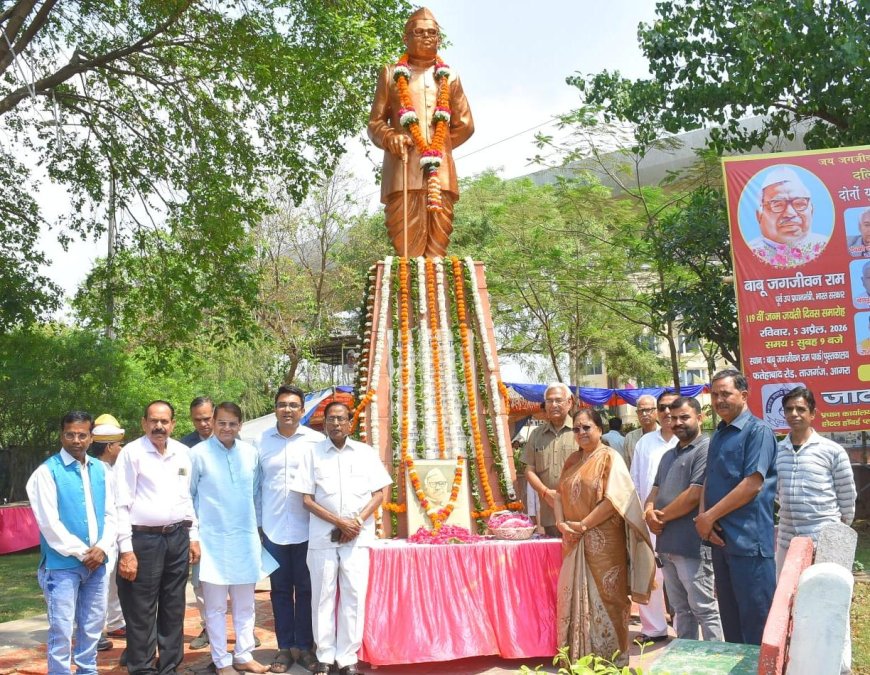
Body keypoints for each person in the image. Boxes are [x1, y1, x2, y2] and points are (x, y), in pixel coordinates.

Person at [291, 401, 392, 675]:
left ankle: (347, 658)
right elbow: (306, 500)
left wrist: (355, 523)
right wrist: (339, 522)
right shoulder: (312, 454)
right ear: (324, 423)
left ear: (350, 423)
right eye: (331, 419)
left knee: (353, 596)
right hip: (323, 537)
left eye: (341, 419)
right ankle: (324, 656)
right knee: (322, 597)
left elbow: (379, 494)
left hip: (357, 538)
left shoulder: (365, 453)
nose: (335, 424)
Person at [367, 7, 474, 257]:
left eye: (432, 33)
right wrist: (390, 137)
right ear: (406, 38)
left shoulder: (450, 77)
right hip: (403, 170)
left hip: (440, 175)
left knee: (438, 253)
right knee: (407, 252)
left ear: (439, 39)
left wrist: (439, 147)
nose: (427, 36)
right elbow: (375, 123)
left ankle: (438, 283)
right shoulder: (391, 74)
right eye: (419, 32)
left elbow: (465, 124)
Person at [555, 408, 655, 666]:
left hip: (605, 544)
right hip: (574, 540)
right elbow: (559, 494)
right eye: (576, 429)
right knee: (574, 597)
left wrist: (583, 525)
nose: (581, 432)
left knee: (610, 598)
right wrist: (561, 523)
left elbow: (614, 500)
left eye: (586, 427)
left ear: (599, 429)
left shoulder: (610, 457)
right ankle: (579, 659)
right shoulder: (572, 460)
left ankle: (611, 661)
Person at [27, 411, 116, 675]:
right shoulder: (46, 472)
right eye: (70, 434)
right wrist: (83, 553)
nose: (76, 440)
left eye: (82, 435)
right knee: (62, 629)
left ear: (91, 437)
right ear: (61, 435)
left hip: (98, 563)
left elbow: (112, 514)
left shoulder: (101, 470)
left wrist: (102, 548)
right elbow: (49, 524)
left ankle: (87, 670)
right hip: (62, 566)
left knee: (92, 625)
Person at [115, 400, 200, 675]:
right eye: (153, 421)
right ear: (144, 423)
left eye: (164, 421)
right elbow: (120, 504)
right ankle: (141, 667)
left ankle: (170, 666)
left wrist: (193, 535)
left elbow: (186, 498)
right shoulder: (132, 453)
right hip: (143, 541)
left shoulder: (183, 453)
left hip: (177, 537)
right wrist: (126, 550)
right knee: (141, 608)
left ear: (173, 424)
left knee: (174, 605)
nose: (159, 426)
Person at [191, 402, 276, 675]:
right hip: (212, 542)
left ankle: (243, 655)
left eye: (232, 423)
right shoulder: (198, 454)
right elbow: (188, 497)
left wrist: (258, 530)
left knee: (245, 604)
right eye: (222, 423)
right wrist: (193, 536)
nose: (227, 428)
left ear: (240, 425)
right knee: (215, 607)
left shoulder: (250, 454)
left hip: (245, 540)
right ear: (213, 423)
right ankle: (221, 661)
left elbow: (256, 495)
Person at [694, 370, 777, 645]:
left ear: (743, 395)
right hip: (721, 542)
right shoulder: (719, 433)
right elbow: (709, 478)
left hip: (749, 544)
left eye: (726, 393)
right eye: (715, 394)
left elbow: (752, 484)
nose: (719, 400)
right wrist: (704, 519)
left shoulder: (758, 431)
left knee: (756, 626)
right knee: (731, 624)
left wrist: (709, 516)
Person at [256, 385, 324, 674]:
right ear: (275, 408)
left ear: (302, 410)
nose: (287, 409)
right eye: (282, 404)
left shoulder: (316, 441)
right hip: (272, 530)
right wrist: (258, 525)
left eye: (294, 405)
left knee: (307, 590)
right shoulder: (261, 441)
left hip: (308, 529)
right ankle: (285, 647)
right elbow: (257, 486)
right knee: (280, 590)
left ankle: (305, 647)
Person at [645, 397, 722, 641]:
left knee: (704, 609)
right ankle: (686, 658)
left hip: (691, 545)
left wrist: (660, 518)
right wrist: (648, 512)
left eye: (684, 417)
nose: (677, 422)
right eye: (674, 418)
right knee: (681, 610)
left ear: (700, 418)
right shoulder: (668, 455)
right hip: (667, 544)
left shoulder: (707, 449)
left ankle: (716, 658)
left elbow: (694, 494)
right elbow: (654, 490)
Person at [775, 386, 856, 576]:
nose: (794, 414)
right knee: (787, 591)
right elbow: (777, 492)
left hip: (823, 541)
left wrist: (836, 531)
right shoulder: (777, 452)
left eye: (800, 409)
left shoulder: (832, 451)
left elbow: (847, 496)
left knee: (823, 591)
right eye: (789, 409)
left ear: (812, 414)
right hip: (787, 540)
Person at [629, 390, 679, 643]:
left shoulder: (688, 440)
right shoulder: (645, 443)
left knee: (680, 576)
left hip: (681, 520)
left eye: (672, 407)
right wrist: (638, 517)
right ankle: (653, 628)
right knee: (651, 574)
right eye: (662, 408)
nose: (667, 412)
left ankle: (684, 629)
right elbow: (635, 482)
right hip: (648, 520)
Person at [179, 396, 217, 651]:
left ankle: (243, 630)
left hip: (229, 525)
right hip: (198, 525)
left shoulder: (232, 440)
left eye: (207, 418)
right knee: (200, 580)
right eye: (197, 420)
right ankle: (208, 628)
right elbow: (182, 489)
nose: (203, 424)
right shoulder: (184, 448)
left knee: (238, 581)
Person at [89, 414, 127, 655]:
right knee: (99, 586)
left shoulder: (112, 468)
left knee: (114, 583)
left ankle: (115, 623)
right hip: (102, 537)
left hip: (115, 534)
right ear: (110, 447)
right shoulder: (96, 471)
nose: (121, 448)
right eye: (118, 444)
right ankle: (94, 633)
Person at [523, 383, 576, 536]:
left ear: (569, 402)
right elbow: (529, 470)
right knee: (553, 550)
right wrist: (545, 493)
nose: (553, 405)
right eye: (549, 401)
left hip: (578, 512)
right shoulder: (536, 435)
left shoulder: (580, 430)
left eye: (558, 400)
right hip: (550, 511)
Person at [747, 166, 827, 267]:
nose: (790, 213)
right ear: (759, 215)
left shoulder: (826, 246)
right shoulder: (748, 253)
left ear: (811, 211)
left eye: (799, 203)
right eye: (777, 204)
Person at [623, 395, 658, 470]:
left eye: (648, 410)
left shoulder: (665, 435)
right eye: (641, 411)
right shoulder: (630, 438)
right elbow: (627, 467)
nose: (644, 414)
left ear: (656, 411)